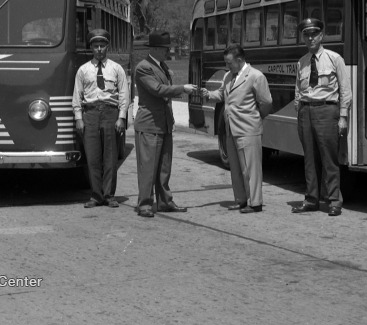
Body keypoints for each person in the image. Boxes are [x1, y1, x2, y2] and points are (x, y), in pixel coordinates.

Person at [133, 30, 197, 217]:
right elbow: (157, 89)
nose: (167, 51)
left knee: (164, 167)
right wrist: (182, 88)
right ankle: (145, 203)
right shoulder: (144, 67)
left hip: (164, 123)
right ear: (154, 48)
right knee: (148, 167)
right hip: (150, 123)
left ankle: (164, 201)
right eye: (164, 48)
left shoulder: (162, 66)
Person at [292, 17, 352, 216]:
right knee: (309, 158)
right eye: (306, 35)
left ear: (321, 35)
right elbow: (298, 91)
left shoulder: (335, 59)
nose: (310, 38)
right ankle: (311, 199)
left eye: (314, 34)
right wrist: (299, 109)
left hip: (327, 110)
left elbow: (345, 89)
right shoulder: (302, 62)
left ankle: (334, 200)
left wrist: (343, 116)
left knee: (329, 158)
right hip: (306, 111)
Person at [203, 44, 272, 213]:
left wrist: (255, 117)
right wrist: (208, 95)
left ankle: (255, 202)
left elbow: (266, 102)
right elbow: (222, 94)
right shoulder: (228, 76)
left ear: (240, 60)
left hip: (248, 129)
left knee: (250, 168)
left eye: (230, 63)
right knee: (236, 168)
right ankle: (241, 199)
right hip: (230, 129)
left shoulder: (256, 76)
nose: (227, 66)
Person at [73, 28, 129, 208]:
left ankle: (109, 195)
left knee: (110, 157)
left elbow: (124, 95)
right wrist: (79, 118)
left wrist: (121, 118)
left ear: (107, 47)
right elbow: (77, 96)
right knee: (93, 156)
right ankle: (96, 195)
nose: (99, 49)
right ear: (91, 48)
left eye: (102, 45)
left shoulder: (116, 69)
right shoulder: (83, 70)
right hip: (90, 114)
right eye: (96, 46)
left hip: (110, 113)